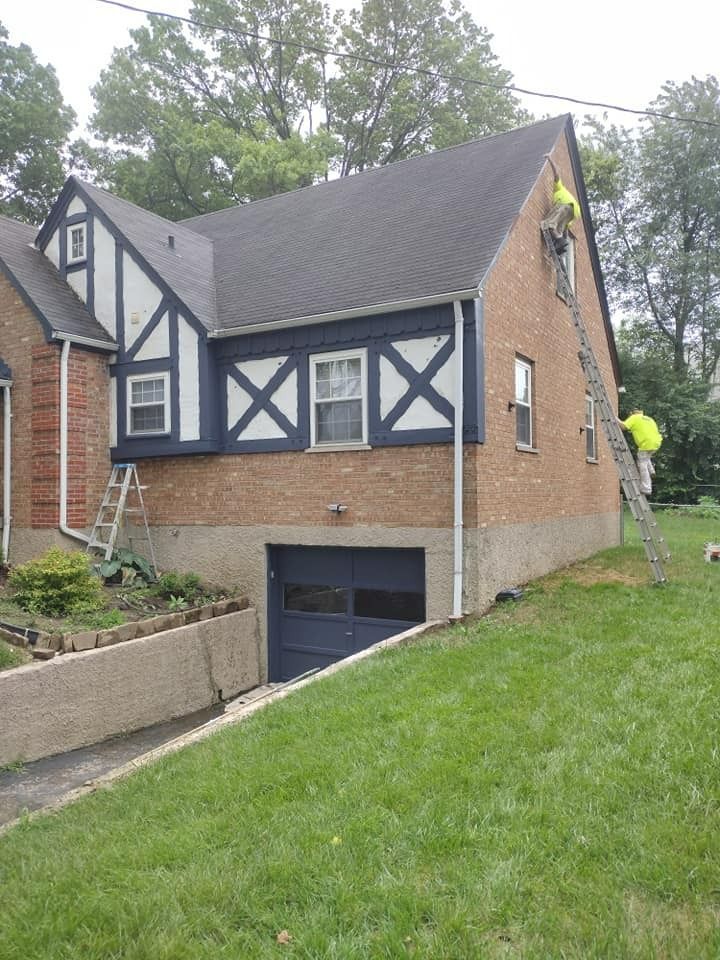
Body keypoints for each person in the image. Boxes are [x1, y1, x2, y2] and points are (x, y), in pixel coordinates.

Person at [541, 155, 581, 254]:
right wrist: (564, 239)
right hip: (573, 213)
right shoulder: (567, 195)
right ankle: (559, 248)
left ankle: (560, 241)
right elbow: (566, 228)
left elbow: (556, 174)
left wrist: (550, 159)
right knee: (558, 230)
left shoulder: (559, 188)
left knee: (547, 224)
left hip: (565, 205)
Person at [618, 409, 662, 496]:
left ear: (632, 413)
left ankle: (647, 488)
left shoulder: (634, 417)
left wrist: (615, 419)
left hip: (646, 444)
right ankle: (651, 470)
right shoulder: (649, 419)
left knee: (642, 464)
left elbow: (623, 426)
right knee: (646, 457)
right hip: (656, 443)